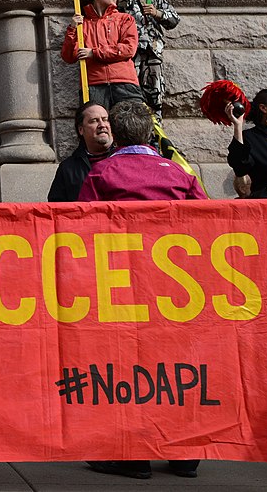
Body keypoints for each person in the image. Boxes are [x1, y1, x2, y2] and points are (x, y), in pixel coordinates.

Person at [79, 100, 205, 480]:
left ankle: (133, 456)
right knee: (177, 367)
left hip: (123, 287)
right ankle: (184, 453)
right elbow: (206, 224)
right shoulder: (180, 174)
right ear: (151, 133)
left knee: (128, 368)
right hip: (177, 291)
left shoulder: (102, 173)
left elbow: (82, 231)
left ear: (115, 134)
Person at [60, 0, 145, 110]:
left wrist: (94, 53)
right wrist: (72, 29)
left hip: (124, 82)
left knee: (132, 126)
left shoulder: (125, 19)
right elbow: (68, 57)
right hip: (93, 84)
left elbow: (129, 49)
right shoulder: (82, 25)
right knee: (96, 127)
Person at [113, 0, 180, 115]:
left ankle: (155, 134)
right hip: (129, 53)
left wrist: (157, 13)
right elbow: (125, 1)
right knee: (130, 95)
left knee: (155, 95)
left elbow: (174, 19)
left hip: (152, 51)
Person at [47, 102, 114, 202]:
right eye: (94, 121)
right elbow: (57, 209)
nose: (102, 125)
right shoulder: (67, 169)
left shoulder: (126, 160)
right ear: (81, 130)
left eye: (105, 120)